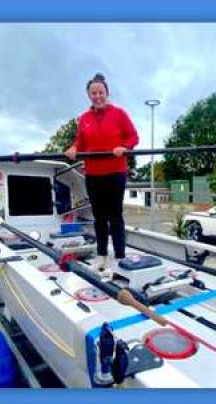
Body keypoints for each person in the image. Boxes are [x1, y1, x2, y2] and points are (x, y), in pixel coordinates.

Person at [65, 73, 139, 271]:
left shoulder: (119, 113)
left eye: (101, 92)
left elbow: (133, 137)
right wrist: (73, 149)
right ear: (89, 95)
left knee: (115, 215)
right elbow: (80, 143)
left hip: (116, 172)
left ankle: (120, 255)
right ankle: (102, 255)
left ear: (107, 93)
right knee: (99, 216)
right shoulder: (84, 119)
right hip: (93, 174)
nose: (97, 96)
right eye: (93, 93)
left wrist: (124, 146)